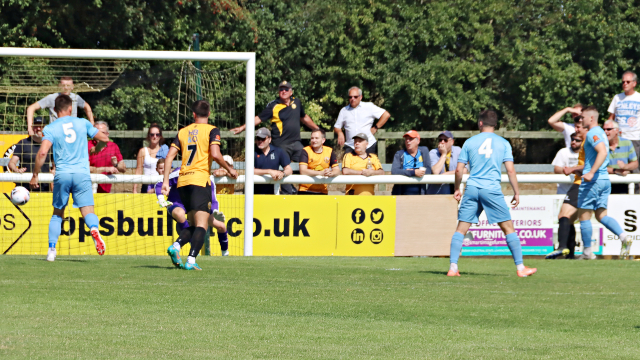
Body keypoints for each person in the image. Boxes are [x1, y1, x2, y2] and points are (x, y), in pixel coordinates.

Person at [447, 110, 536, 277]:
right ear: (495, 125)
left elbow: (459, 169)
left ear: (480, 123)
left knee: (461, 229)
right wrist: (516, 192)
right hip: (491, 189)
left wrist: (457, 188)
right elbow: (510, 171)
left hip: (472, 188)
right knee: (508, 228)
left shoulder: (469, 142)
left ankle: (453, 267)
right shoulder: (503, 143)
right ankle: (520, 268)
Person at [29, 94, 108, 262]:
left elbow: (42, 152)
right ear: (71, 108)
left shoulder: (51, 128)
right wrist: (96, 149)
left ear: (55, 110)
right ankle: (94, 229)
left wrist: (35, 174)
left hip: (63, 174)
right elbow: (104, 138)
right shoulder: (82, 123)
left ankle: (51, 250)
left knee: (58, 213)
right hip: (81, 174)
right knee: (88, 212)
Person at [162, 100, 238, 270]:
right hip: (199, 180)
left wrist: (166, 181)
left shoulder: (183, 132)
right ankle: (190, 260)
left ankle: (176, 246)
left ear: (194, 115)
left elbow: (169, 157)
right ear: (209, 114)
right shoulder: (212, 130)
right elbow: (216, 154)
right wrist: (229, 169)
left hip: (183, 182)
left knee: (194, 225)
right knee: (202, 226)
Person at [576, 106, 631, 260]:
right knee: (601, 216)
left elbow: (602, 152)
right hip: (604, 180)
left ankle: (587, 252)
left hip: (593, 180)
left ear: (591, 118)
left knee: (584, 216)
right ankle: (623, 237)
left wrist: (591, 172)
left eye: (583, 117)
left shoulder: (593, 132)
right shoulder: (601, 132)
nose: (581, 120)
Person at [156, 164, 230, 257]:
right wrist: (161, 198)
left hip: (195, 205)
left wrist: (214, 211)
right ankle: (193, 249)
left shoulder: (207, 179)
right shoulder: (181, 173)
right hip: (178, 203)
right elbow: (160, 183)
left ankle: (225, 253)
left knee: (220, 226)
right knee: (180, 215)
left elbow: (212, 199)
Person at [546, 118, 588, 260]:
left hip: (582, 183)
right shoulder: (591, 141)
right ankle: (570, 253)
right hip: (584, 183)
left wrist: (573, 168)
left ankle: (563, 247)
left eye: (578, 128)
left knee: (564, 215)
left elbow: (594, 164)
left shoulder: (591, 142)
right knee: (574, 218)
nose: (576, 130)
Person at [26, 76, 94, 134]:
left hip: (71, 133)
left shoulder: (76, 98)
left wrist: (92, 124)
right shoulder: (52, 98)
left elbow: (87, 107)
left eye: (68, 85)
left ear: (72, 87)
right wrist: (29, 127)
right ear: (59, 86)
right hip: (55, 133)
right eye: (63, 85)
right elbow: (31, 108)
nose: (66, 88)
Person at [334, 86, 391, 154]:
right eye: (350, 97)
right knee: (347, 165)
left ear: (361, 97)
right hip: (351, 146)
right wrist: (339, 132)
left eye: (355, 97)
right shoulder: (344, 110)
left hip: (368, 146)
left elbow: (386, 115)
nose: (352, 99)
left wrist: (375, 127)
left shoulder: (369, 106)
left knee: (369, 164)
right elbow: (337, 126)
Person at [7, 116, 52, 191]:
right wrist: (16, 170)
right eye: (36, 126)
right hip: (24, 188)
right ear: (32, 127)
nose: (38, 129)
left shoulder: (50, 144)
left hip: (44, 188)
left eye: (41, 126)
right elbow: (11, 163)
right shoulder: (23, 143)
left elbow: (56, 165)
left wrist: (54, 170)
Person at [608, 71, 640, 167]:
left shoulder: (638, 97)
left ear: (634, 83)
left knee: (634, 168)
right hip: (619, 139)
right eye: (623, 82)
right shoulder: (617, 98)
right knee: (618, 166)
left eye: (627, 82)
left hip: (635, 138)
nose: (625, 84)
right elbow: (611, 118)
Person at [88, 121, 126, 193]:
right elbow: (85, 168)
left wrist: (116, 165)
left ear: (107, 134)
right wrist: (106, 169)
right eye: (97, 133)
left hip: (106, 192)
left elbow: (123, 169)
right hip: (88, 190)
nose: (99, 135)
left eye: (102, 133)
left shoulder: (113, 146)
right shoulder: (88, 145)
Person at [298, 128, 339, 195]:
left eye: (316, 138)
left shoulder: (329, 151)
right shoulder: (305, 150)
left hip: (322, 191)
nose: (314, 140)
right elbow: (303, 171)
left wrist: (331, 173)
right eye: (312, 138)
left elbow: (337, 170)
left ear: (323, 140)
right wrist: (321, 173)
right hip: (305, 190)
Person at [253, 127, 293, 195]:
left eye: (263, 139)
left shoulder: (279, 151)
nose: (260, 141)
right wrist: (269, 171)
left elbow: (289, 169)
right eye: (258, 139)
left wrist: (282, 174)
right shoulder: (252, 152)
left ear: (269, 139)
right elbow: (250, 171)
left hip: (273, 192)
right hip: (255, 193)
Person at [391, 130, 431, 195]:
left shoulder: (424, 151)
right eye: (406, 139)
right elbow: (394, 171)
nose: (407, 141)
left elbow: (428, 170)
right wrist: (413, 172)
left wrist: (416, 172)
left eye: (411, 139)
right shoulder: (399, 154)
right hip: (402, 193)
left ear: (418, 141)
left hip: (420, 193)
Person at [603, 120, 638, 194]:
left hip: (624, 183)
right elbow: (598, 167)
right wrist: (616, 171)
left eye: (608, 129)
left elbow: (635, 163)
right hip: (605, 184)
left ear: (616, 130)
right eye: (604, 129)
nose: (605, 132)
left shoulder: (627, 143)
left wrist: (626, 167)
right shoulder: (601, 145)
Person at [428, 130, 466, 194]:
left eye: (445, 140)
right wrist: (443, 154)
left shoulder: (458, 151)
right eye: (440, 140)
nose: (442, 142)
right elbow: (435, 171)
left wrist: (445, 175)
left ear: (452, 142)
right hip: (436, 195)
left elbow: (464, 170)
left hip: (454, 194)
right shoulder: (433, 152)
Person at [134, 124, 168, 193]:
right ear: (149, 136)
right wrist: (134, 189)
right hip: (147, 186)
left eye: (157, 134)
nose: (155, 137)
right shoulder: (143, 151)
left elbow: (169, 170)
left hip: (161, 185)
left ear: (160, 136)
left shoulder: (165, 150)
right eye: (152, 134)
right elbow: (139, 170)